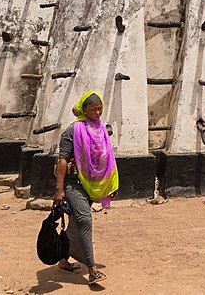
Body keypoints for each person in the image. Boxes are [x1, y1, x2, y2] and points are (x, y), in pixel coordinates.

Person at [53, 90, 119, 285]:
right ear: (84, 110)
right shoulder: (72, 131)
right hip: (73, 183)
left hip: (92, 183)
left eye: (100, 109)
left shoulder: (100, 130)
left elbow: (108, 158)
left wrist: (110, 184)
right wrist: (59, 189)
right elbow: (63, 160)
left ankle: (64, 261)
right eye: (93, 109)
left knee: (75, 225)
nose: (98, 112)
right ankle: (92, 269)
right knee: (84, 220)